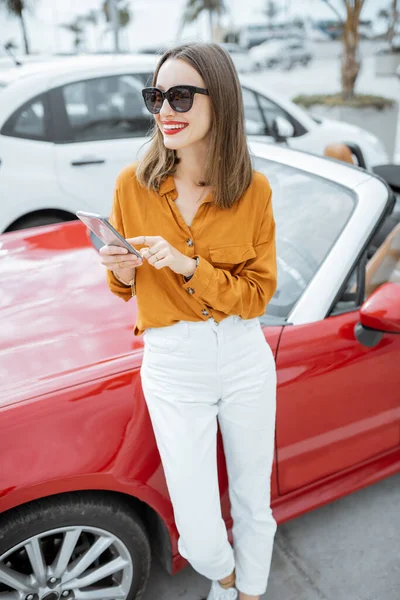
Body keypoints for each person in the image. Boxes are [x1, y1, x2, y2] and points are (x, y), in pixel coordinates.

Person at [101, 42, 277, 600]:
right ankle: (223, 575)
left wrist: (187, 266)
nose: (164, 111)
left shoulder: (253, 190)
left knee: (253, 502)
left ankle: (246, 594)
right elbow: (123, 289)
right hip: (174, 365)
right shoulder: (133, 184)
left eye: (179, 96)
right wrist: (120, 269)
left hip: (244, 353)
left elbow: (256, 296)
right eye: (156, 96)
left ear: (219, 100)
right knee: (199, 532)